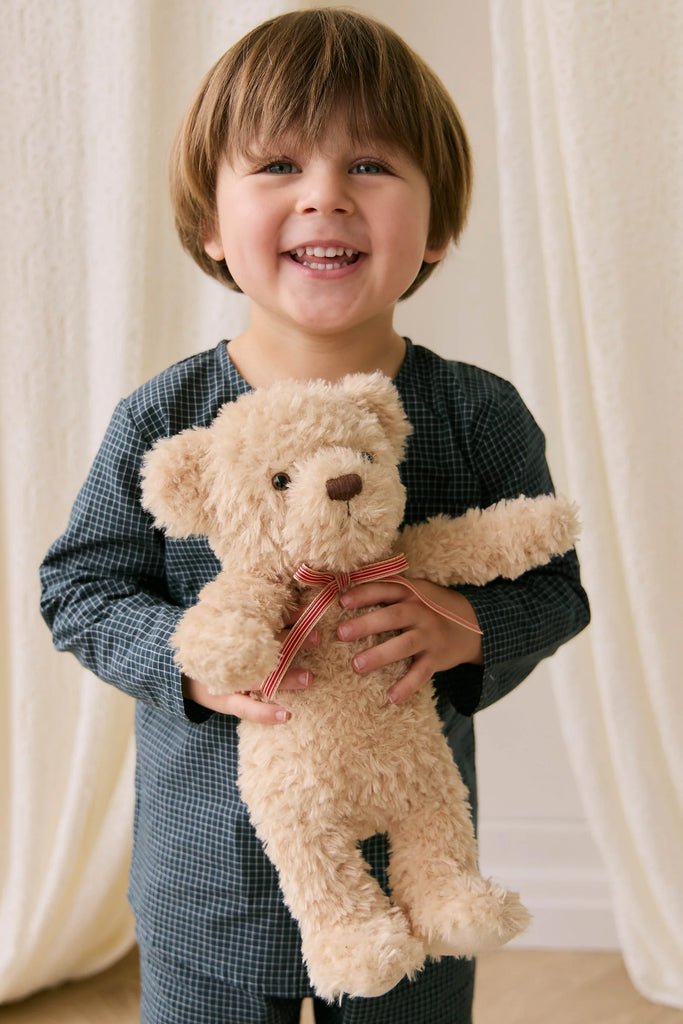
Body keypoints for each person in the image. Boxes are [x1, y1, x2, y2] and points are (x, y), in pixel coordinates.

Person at [40, 8, 590, 1023]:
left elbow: (553, 587)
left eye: (370, 165)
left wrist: (468, 625)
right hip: (208, 882)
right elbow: (76, 587)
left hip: (413, 868)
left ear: (438, 224)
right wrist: (186, 656)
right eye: (279, 165)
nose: (324, 197)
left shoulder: (474, 413)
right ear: (208, 222)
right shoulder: (163, 419)